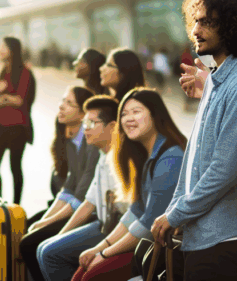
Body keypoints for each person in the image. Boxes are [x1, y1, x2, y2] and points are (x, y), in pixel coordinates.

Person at [150, 0, 237, 281]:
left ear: (232, 29)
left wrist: (177, 214)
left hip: (226, 240)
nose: (196, 30)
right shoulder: (219, 82)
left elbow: (224, 171)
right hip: (202, 236)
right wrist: (176, 210)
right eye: (196, 21)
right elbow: (194, 162)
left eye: (207, 22)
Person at [73, 88, 186, 281]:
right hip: (144, 242)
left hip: (160, 251)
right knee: (82, 272)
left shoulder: (170, 158)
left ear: (155, 114)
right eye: (124, 114)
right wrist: (100, 247)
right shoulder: (147, 155)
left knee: (90, 275)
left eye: (136, 111)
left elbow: (149, 223)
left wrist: (104, 254)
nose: (128, 119)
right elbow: (135, 210)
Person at [36, 95, 121, 281]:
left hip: (114, 230)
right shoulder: (102, 154)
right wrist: (60, 235)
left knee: (50, 253)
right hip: (103, 224)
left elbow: (130, 217)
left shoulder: (120, 160)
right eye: (85, 124)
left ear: (112, 127)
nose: (86, 130)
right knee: (44, 247)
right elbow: (88, 202)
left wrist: (101, 249)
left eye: (92, 123)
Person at [21, 86, 98, 281]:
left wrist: (47, 222)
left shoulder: (91, 142)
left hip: (89, 214)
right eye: (62, 101)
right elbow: (67, 190)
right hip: (76, 208)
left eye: (69, 103)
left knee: (32, 243)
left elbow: (80, 197)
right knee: (29, 231)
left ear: (82, 114)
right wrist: (45, 219)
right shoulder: (73, 139)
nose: (61, 107)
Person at [0, 36, 35, 204]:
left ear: (12, 50)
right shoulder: (3, 71)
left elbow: (20, 101)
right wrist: (7, 97)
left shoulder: (25, 73)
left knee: (14, 167)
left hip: (18, 127)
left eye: (2, 46)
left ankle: (16, 205)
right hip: (0, 126)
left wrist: (5, 96)